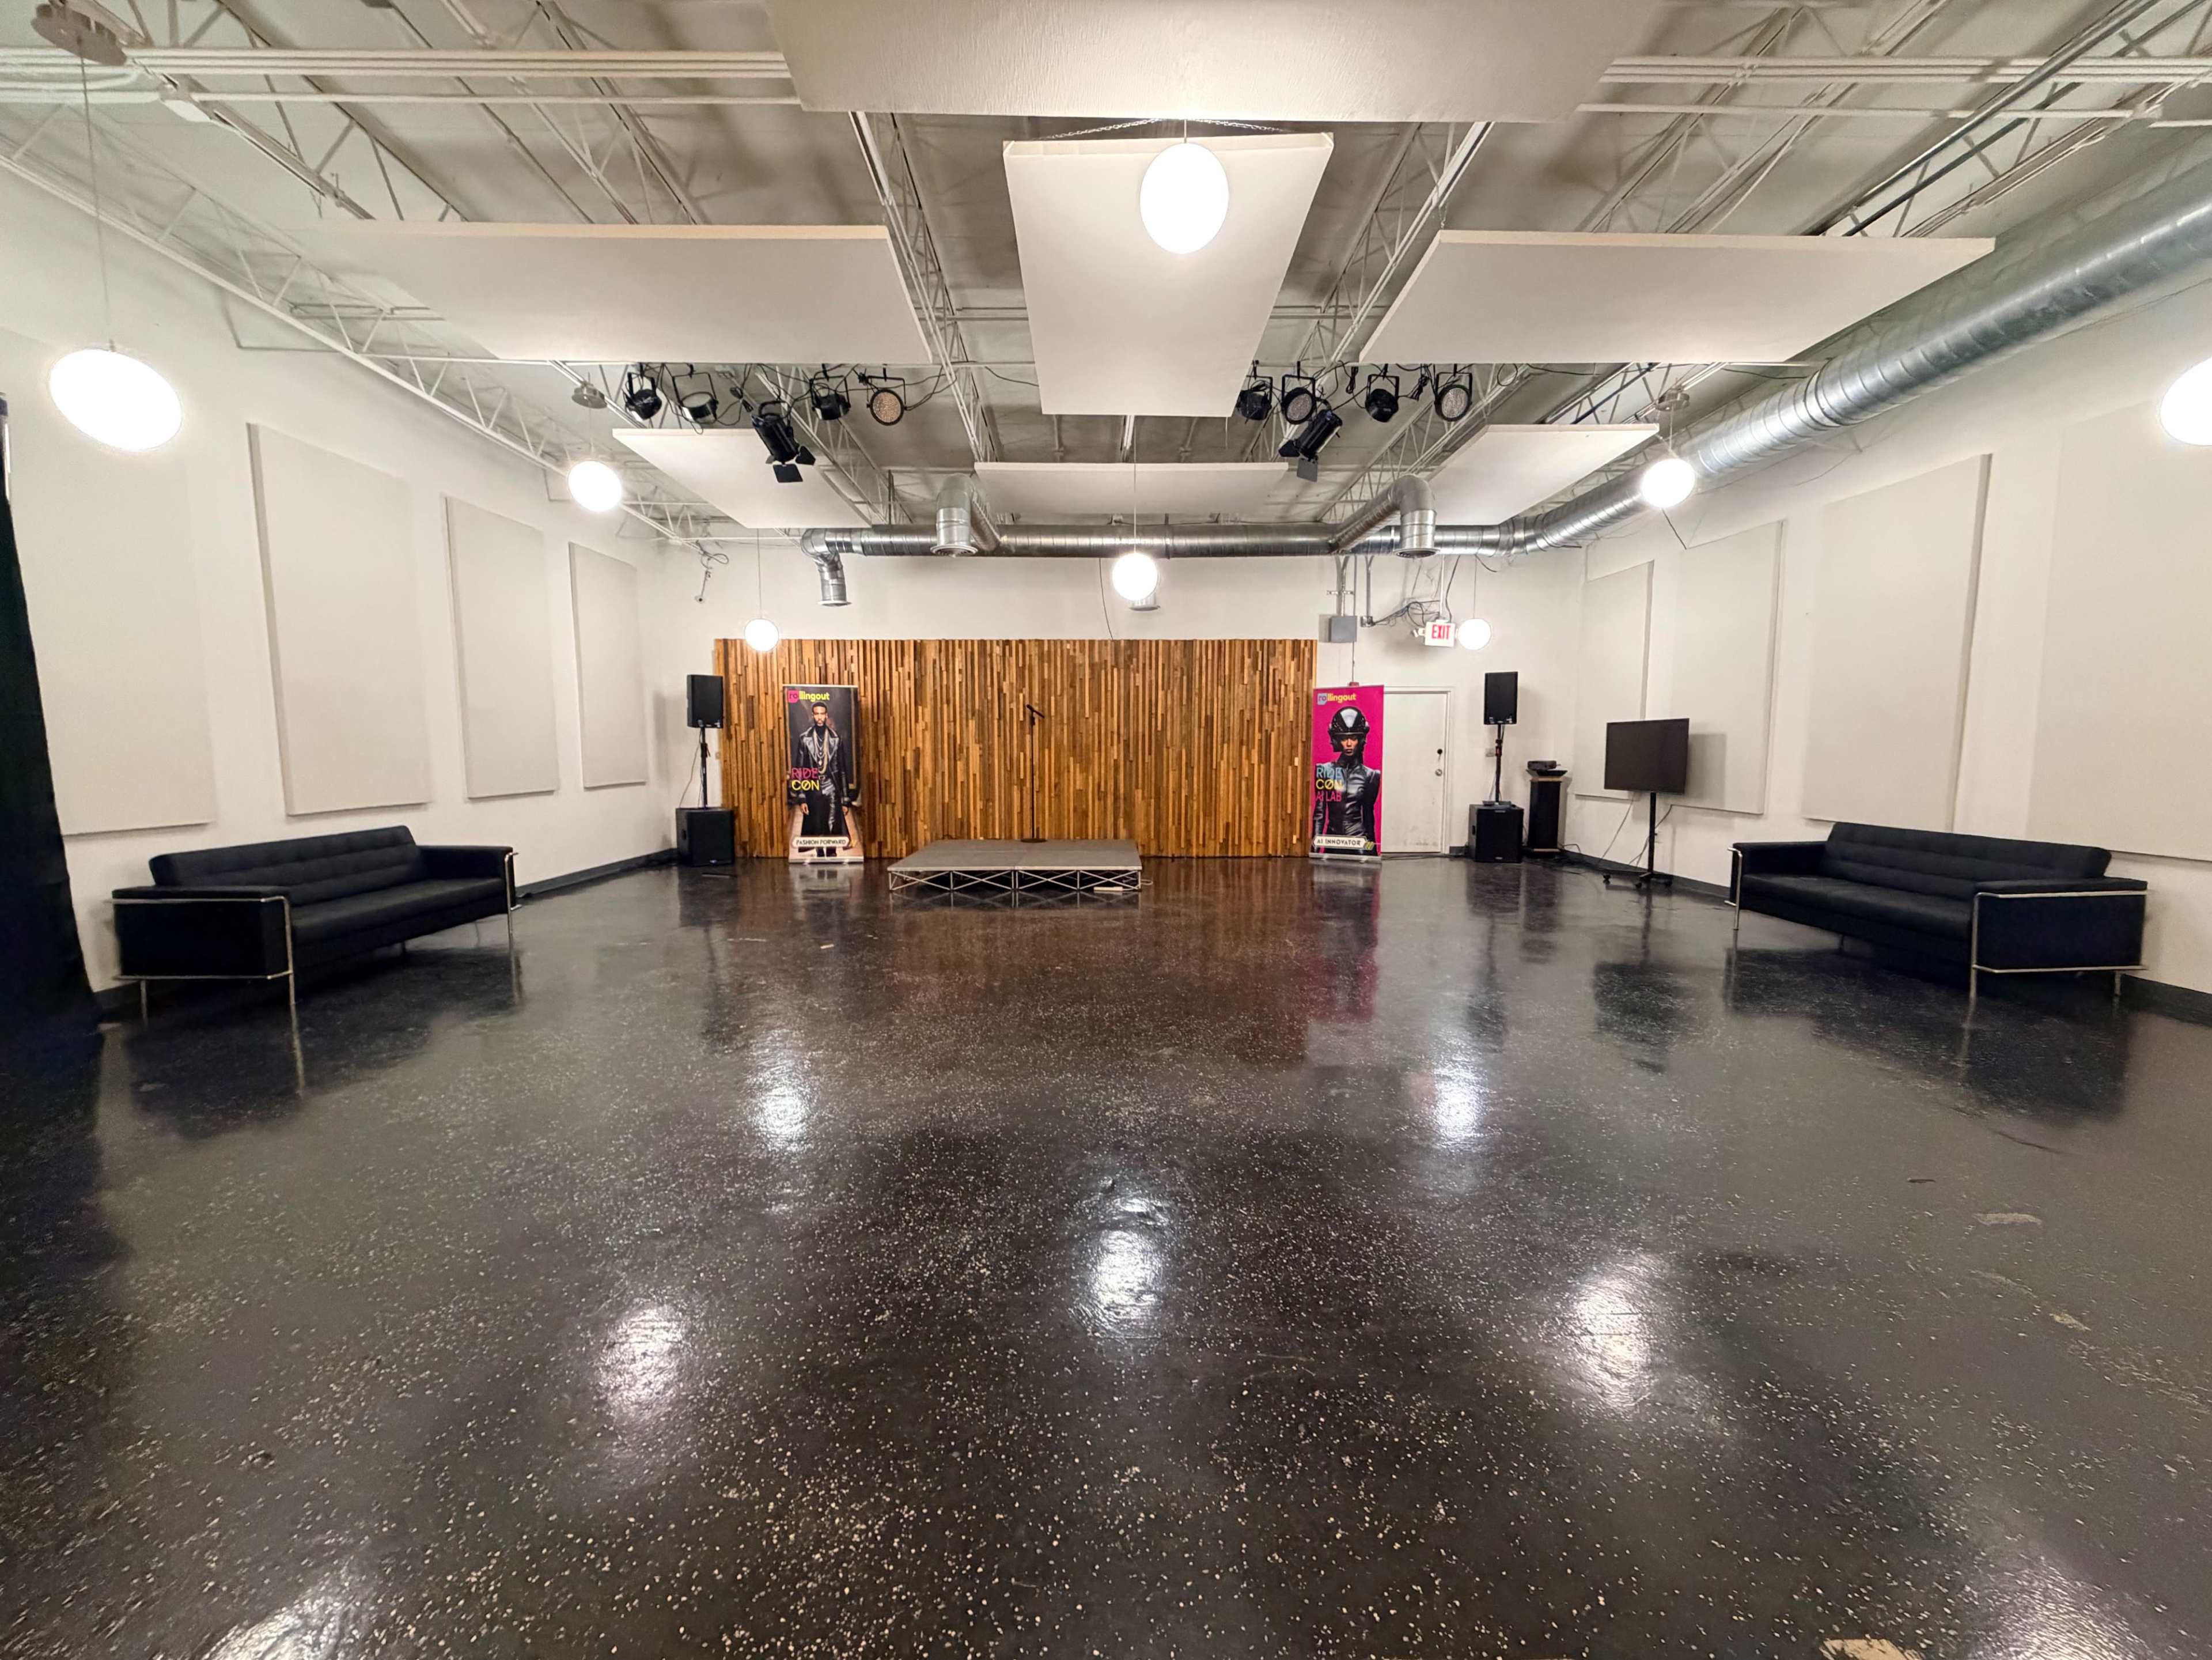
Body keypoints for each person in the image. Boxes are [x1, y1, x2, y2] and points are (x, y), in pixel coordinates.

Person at [788, 698, 864, 854]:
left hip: (831, 787)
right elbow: (800, 769)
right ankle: (821, 857)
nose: (820, 717)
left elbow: (842, 770)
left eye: (823, 714)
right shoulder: (805, 739)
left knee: (831, 825)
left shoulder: (836, 739)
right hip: (813, 788)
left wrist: (844, 799)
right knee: (817, 826)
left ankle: (832, 855)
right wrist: (802, 797)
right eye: (817, 714)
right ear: (813, 716)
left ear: (827, 715)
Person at [1313, 704, 1382, 852]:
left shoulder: (1372, 776)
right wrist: (1315, 851)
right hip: (1332, 841)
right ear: (1337, 741)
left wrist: (1373, 851)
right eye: (1344, 739)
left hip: (1359, 843)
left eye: (1354, 738)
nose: (1349, 744)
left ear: (1361, 740)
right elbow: (1320, 815)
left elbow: (1368, 816)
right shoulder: (1323, 771)